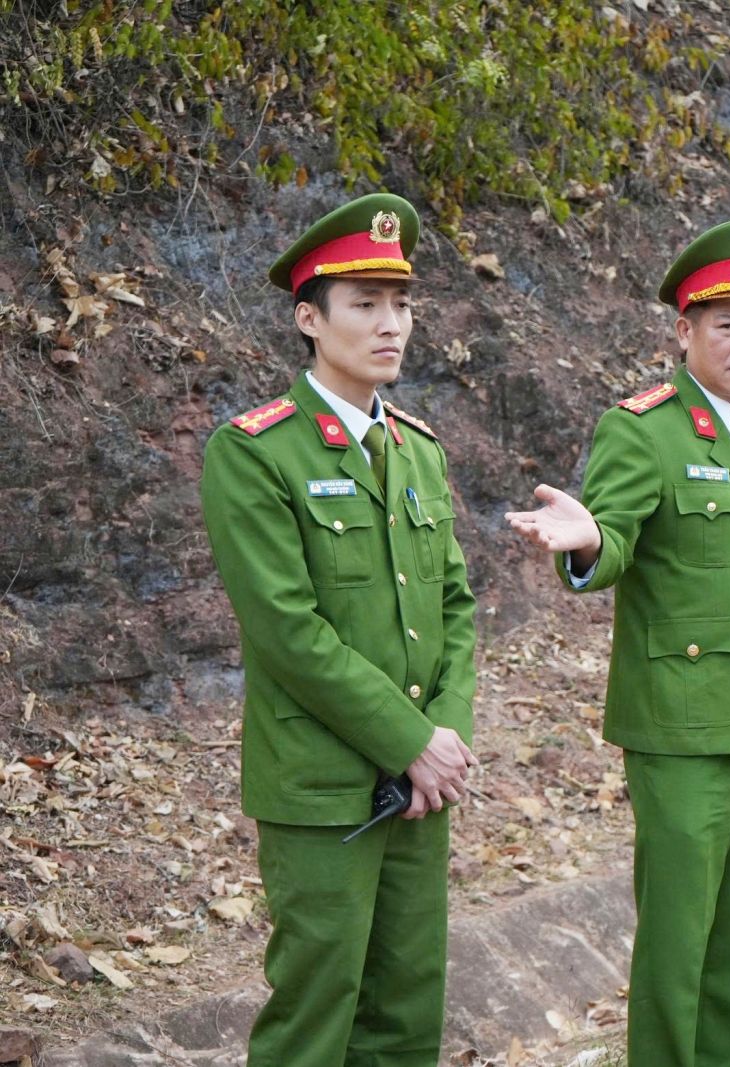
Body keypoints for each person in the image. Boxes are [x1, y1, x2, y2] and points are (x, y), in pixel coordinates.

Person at [504, 220, 730, 1067]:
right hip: (681, 727)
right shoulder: (644, 428)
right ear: (684, 331)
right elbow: (613, 540)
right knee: (678, 936)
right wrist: (589, 539)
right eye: (728, 324)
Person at [199, 193, 479, 1066]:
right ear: (309, 319)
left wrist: (444, 740)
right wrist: (409, 740)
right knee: (316, 1013)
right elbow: (287, 629)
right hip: (322, 789)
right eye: (364, 304)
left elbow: (457, 608)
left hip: (421, 787)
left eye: (401, 303)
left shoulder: (418, 449)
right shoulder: (255, 451)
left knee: (407, 1014)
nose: (390, 324)